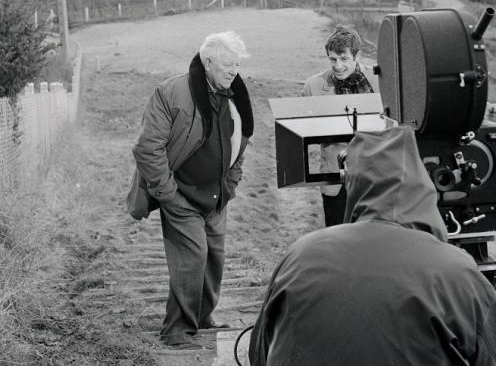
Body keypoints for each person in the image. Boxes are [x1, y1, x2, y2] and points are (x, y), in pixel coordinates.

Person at [249, 125, 496, 366]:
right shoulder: (456, 272)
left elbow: (258, 353)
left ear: (354, 186)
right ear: (422, 184)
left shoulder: (299, 255)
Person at [129, 31, 254, 349]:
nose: (233, 71)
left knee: (214, 256)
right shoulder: (171, 91)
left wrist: (231, 184)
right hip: (180, 192)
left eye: (237, 65)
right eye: (228, 64)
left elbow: (242, 141)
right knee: (192, 256)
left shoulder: (234, 92)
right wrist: (167, 192)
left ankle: (201, 317)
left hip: (217, 195)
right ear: (207, 61)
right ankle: (177, 330)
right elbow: (147, 148)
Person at [302, 24, 377, 226]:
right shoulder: (314, 86)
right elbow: (304, 129)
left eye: (344, 59)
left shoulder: (379, 81)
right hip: (335, 179)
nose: (338, 66)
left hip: (372, 178)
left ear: (357, 55)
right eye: (333, 59)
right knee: (338, 239)